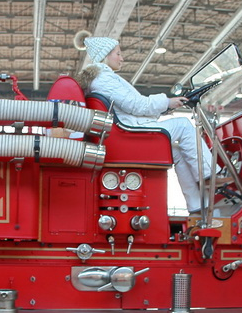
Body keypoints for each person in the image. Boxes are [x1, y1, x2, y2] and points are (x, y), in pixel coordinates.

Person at [74, 31, 214, 214]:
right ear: (105, 56)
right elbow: (137, 105)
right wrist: (167, 102)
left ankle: (197, 205)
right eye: (118, 53)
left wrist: (166, 106)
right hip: (130, 133)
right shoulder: (105, 79)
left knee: (176, 152)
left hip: (126, 130)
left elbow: (133, 107)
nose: (122, 58)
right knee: (184, 126)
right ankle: (210, 175)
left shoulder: (100, 79)